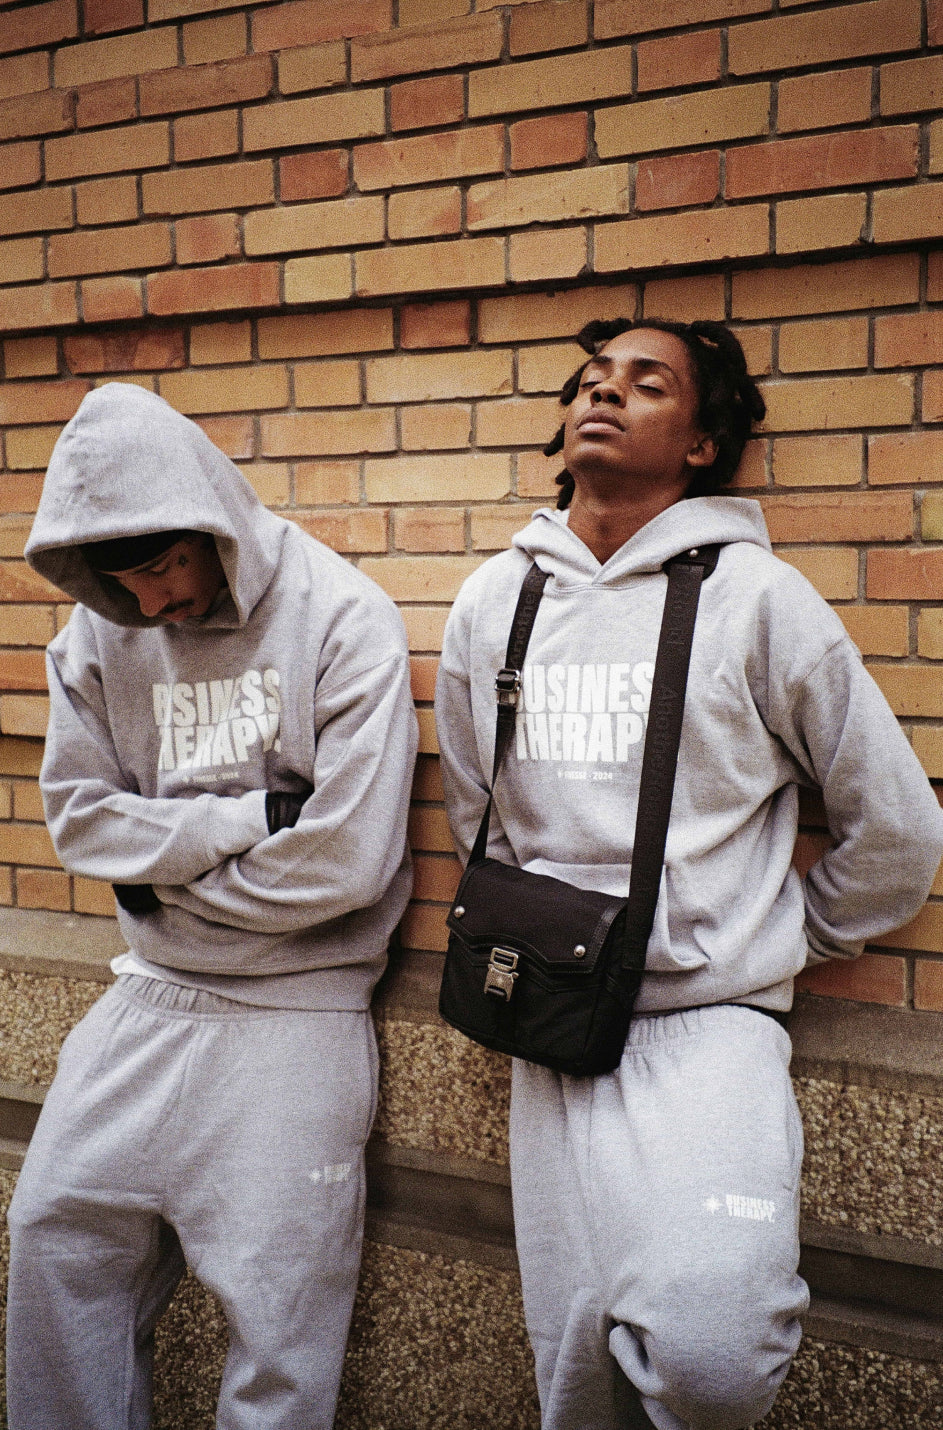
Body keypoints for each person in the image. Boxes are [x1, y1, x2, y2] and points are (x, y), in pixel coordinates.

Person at [434, 317, 943, 1430]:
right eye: (589, 380)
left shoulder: (760, 599)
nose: (603, 395)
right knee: (572, 1364)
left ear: (704, 442)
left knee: (714, 1355)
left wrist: (769, 935)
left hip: (707, 1031)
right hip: (548, 1022)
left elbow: (896, 828)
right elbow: (482, 810)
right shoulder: (492, 601)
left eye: (644, 382)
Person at [7, 382, 418, 1430]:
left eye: (158, 568)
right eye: (119, 582)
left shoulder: (341, 614)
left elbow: (345, 863)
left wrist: (164, 872)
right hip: (146, 996)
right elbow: (84, 824)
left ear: (208, 521)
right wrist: (242, 822)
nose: (150, 605)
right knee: (55, 1243)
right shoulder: (99, 636)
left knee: (280, 1324)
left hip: (298, 1012)